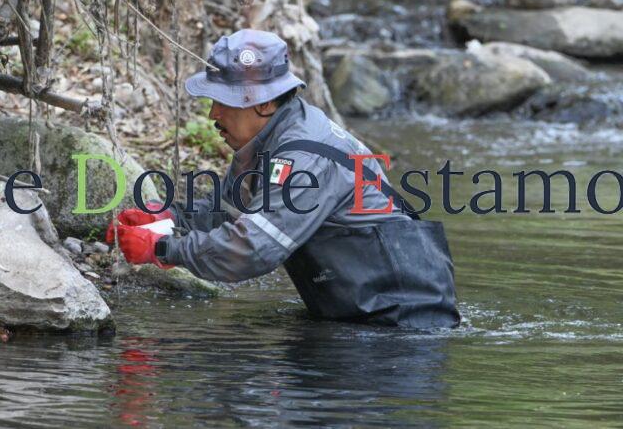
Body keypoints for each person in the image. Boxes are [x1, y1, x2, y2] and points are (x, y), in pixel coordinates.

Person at [111, 29, 460, 328]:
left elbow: (251, 249)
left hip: (402, 327)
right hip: (360, 315)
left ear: (264, 104)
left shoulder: (304, 157)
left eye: (224, 102)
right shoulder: (271, 138)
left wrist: (162, 249)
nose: (213, 114)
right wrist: (169, 217)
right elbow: (234, 211)